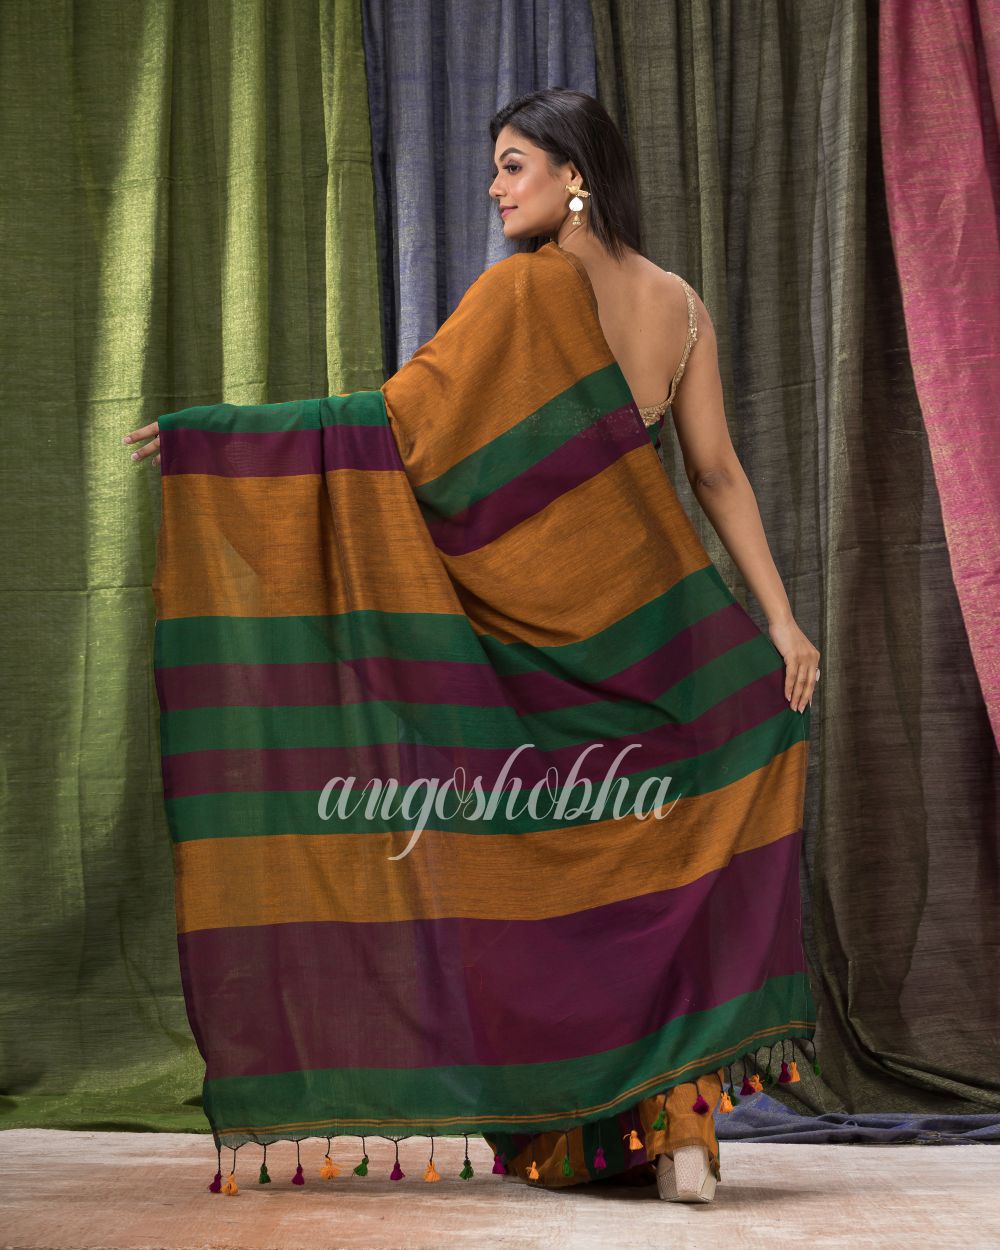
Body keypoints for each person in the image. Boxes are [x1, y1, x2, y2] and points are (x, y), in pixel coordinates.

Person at [123, 87, 819, 1206]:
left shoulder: (525, 290)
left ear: (573, 175)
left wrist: (225, 446)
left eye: (511, 164)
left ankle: (618, 1124)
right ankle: (683, 1131)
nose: (494, 188)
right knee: (666, 869)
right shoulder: (679, 306)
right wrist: (778, 622)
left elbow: (396, 432)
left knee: (546, 879)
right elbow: (717, 474)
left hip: (539, 654)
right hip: (662, 638)